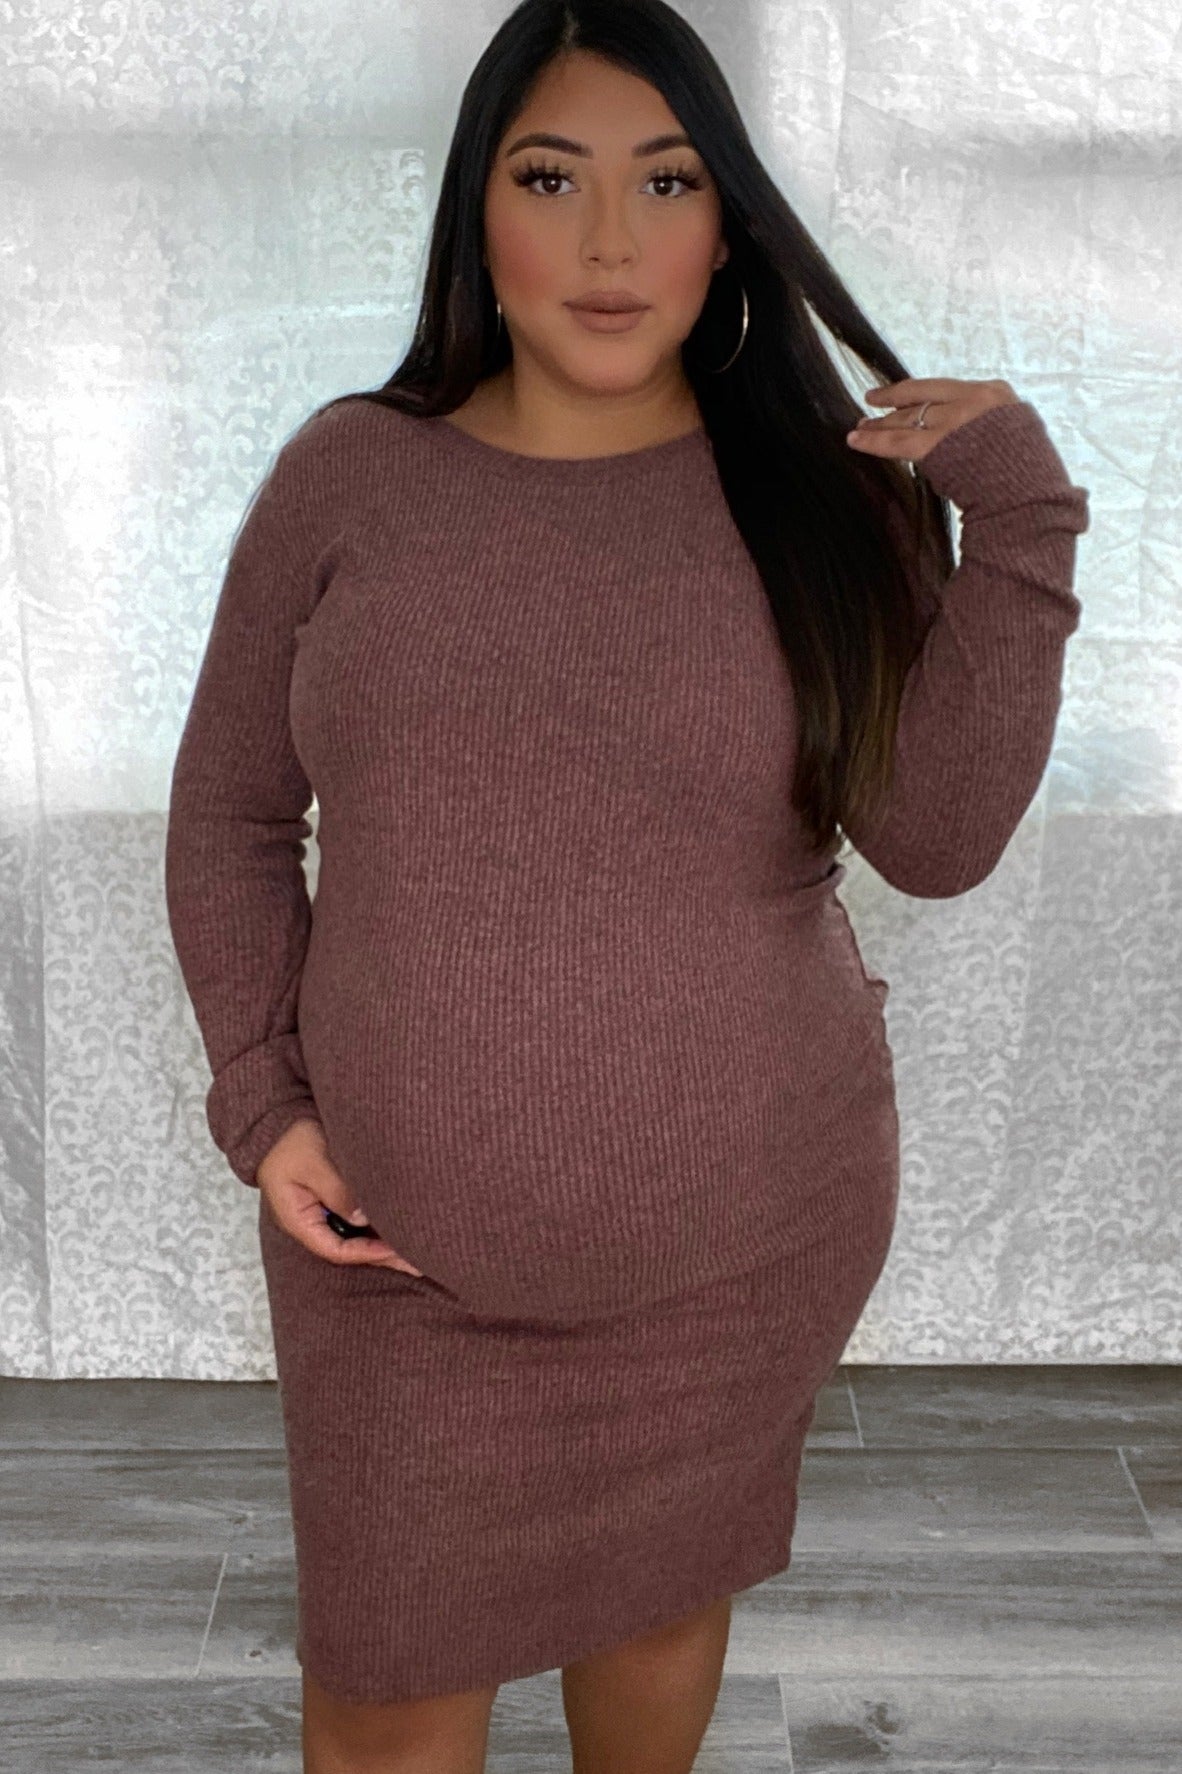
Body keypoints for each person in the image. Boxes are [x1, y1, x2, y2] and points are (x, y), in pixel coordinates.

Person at [164, 2, 1090, 1769]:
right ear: (476, 211)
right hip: (397, 1262)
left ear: (726, 224)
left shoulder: (816, 502)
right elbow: (227, 814)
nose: (607, 240)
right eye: (550, 178)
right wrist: (263, 1100)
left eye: (664, 183)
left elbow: (938, 838)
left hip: (739, 1248)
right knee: (384, 1704)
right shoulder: (347, 478)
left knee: (657, 1636)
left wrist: (1022, 518)